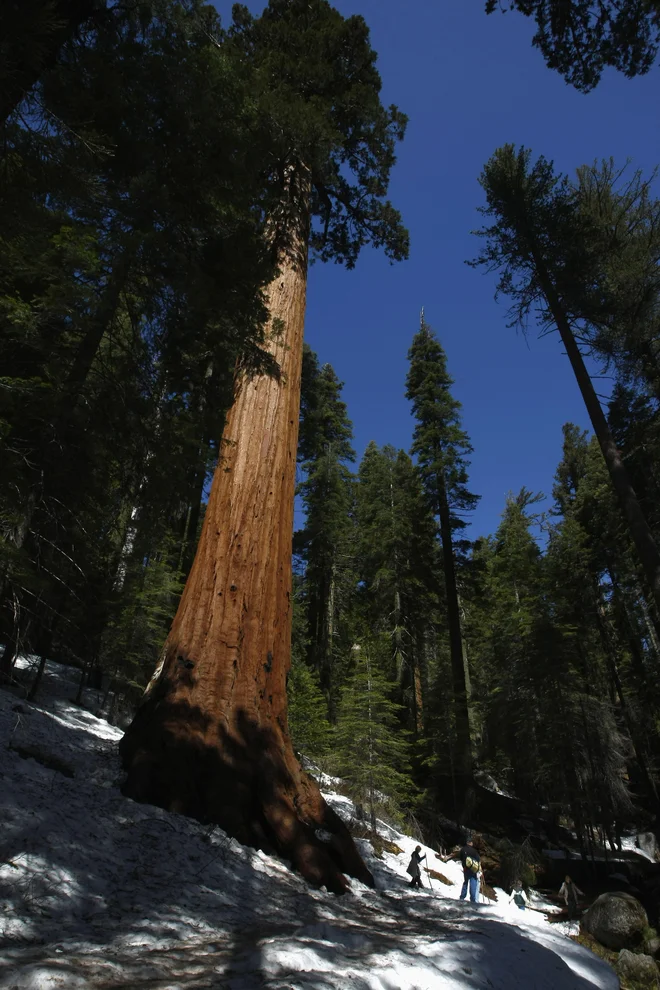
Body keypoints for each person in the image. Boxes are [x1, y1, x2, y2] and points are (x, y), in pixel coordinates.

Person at [458, 833, 481, 903]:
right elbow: (478, 860)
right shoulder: (474, 851)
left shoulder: (462, 849)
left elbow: (461, 858)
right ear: (470, 843)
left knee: (465, 882)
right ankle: (473, 899)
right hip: (473, 869)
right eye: (472, 842)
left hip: (465, 869)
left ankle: (462, 896)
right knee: (473, 883)